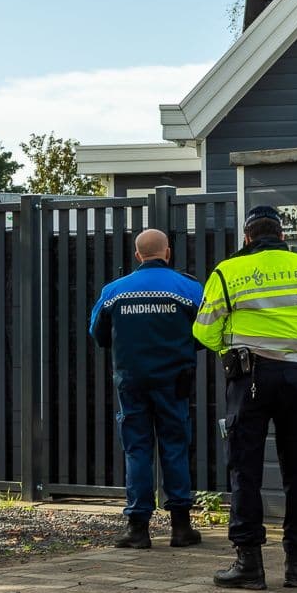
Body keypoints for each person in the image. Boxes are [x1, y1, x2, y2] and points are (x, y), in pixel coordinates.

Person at [193, 204, 297, 590]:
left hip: (248, 379)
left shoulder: (227, 271)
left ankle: (249, 564)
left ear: (247, 237)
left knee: (245, 468)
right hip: (296, 378)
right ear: (282, 234)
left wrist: (234, 346)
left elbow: (204, 331)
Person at [90, 228, 206, 549]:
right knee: (175, 446)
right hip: (175, 381)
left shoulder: (114, 291)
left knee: (137, 449)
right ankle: (181, 527)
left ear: (137, 255)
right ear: (167, 253)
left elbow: (98, 334)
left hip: (132, 381)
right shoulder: (189, 289)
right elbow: (207, 332)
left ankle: (138, 528)